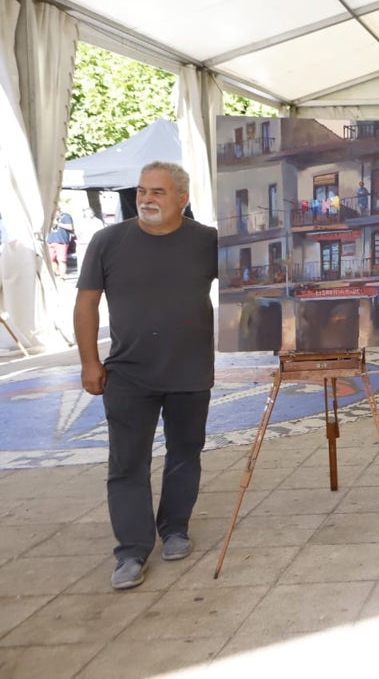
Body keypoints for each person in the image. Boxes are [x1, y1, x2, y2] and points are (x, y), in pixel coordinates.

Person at [74, 161, 218, 590]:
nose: (146, 199)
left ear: (182, 199)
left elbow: (249, 291)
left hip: (191, 371)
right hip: (128, 374)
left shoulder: (208, 242)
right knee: (126, 464)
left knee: (184, 453)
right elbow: (86, 305)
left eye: (157, 191)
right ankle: (132, 551)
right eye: (142, 191)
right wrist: (88, 361)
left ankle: (175, 529)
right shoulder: (108, 241)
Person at [47, 206, 75, 278]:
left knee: (61, 260)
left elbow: (70, 227)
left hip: (61, 241)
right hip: (50, 240)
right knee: (51, 259)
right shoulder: (49, 217)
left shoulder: (66, 216)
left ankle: (62, 277)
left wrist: (58, 223)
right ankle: (55, 273)